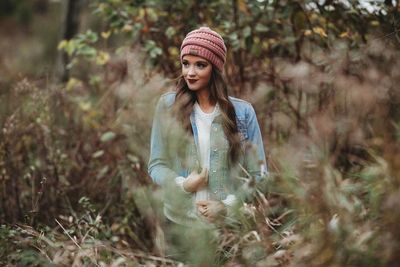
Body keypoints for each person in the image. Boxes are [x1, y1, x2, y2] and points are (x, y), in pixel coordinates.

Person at [148, 26, 267, 225]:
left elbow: (259, 176)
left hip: (226, 227)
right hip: (180, 225)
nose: (190, 73)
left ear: (215, 68)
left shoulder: (243, 112)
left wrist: (226, 206)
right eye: (186, 64)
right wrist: (184, 185)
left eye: (200, 65)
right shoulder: (168, 106)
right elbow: (156, 165)